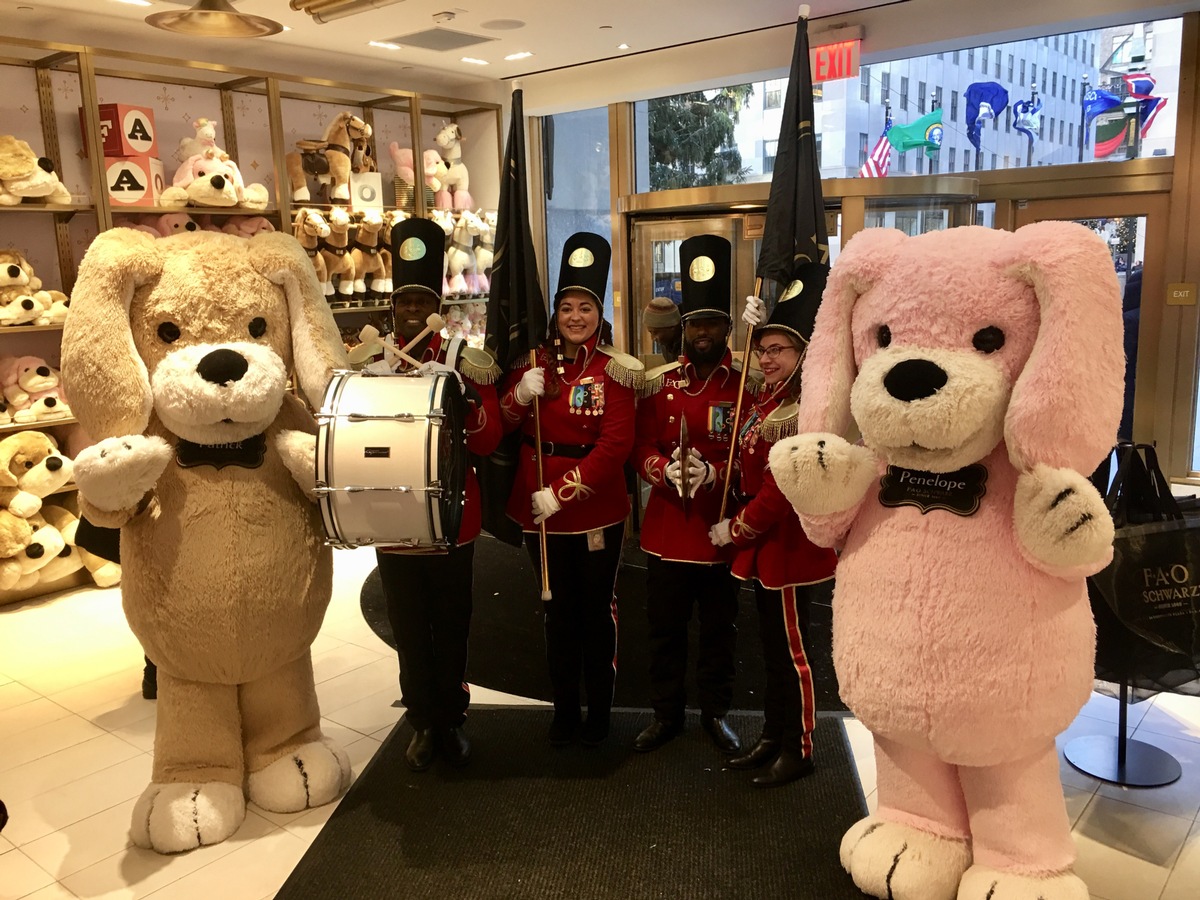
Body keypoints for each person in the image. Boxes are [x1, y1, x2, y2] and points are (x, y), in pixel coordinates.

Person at [499, 232, 641, 747]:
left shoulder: (615, 371)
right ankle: (564, 709)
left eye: (585, 307)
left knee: (595, 613)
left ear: (599, 315)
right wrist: (518, 393)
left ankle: (600, 711)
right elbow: (508, 423)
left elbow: (616, 445)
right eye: (566, 307)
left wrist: (561, 492)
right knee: (555, 611)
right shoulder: (533, 362)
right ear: (555, 314)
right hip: (535, 508)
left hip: (591, 509)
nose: (574, 316)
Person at [377, 216, 503, 772]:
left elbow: (490, 436)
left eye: (421, 301)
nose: (411, 311)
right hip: (394, 516)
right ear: (393, 307)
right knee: (408, 626)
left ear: (439, 307)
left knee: (453, 624)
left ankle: (451, 718)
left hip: (454, 515)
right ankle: (423, 723)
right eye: (403, 301)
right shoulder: (372, 363)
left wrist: (468, 403)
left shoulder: (463, 360)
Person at [709, 264, 838, 787]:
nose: (767, 358)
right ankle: (771, 734)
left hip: (785, 547)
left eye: (779, 349)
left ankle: (800, 745)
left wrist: (736, 530)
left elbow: (780, 490)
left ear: (803, 353)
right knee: (772, 651)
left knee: (794, 655)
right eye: (762, 349)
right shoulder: (763, 398)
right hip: (765, 550)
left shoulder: (802, 408)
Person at [632, 234, 743, 756]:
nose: (702, 333)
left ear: (726, 328)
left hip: (719, 531)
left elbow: (752, 451)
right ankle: (665, 714)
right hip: (666, 532)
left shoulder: (743, 387)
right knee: (664, 634)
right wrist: (661, 468)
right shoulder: (660, 384)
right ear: (684, 328)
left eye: (712, 323)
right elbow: (639, 445)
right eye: (695, 324)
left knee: (719, 634)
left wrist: (717, 472)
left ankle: (715, 714)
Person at [642, 296, 682, 366]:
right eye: (650, 332)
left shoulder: (690, 344)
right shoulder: (666, 343)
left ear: (672, 327)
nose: (653, 338)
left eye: (655, 332)